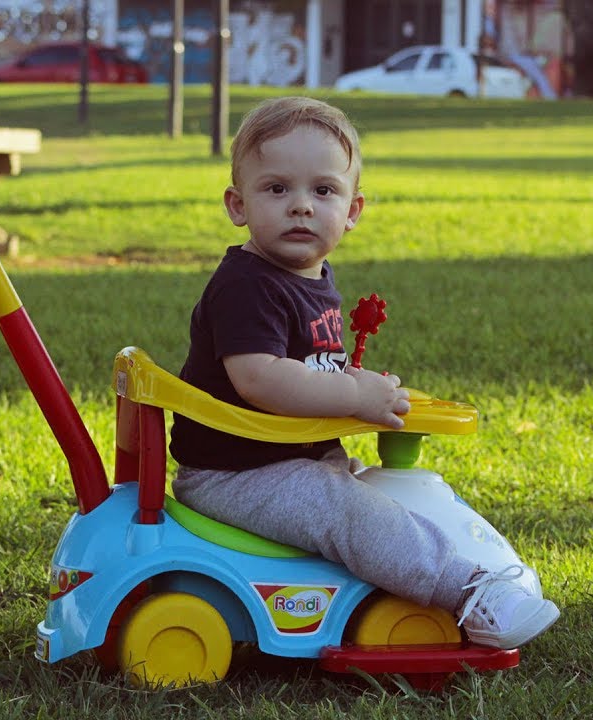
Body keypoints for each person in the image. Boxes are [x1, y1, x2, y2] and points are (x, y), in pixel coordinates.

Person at [169, 96, 558, 649]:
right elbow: (260, 378)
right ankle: (470, 593)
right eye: (276, 189)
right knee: (351, 514)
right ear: (238, 205)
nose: (301, 206)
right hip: (235, 474)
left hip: (292, 462)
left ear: (352, 210)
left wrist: (362, 388)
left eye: (323, 191)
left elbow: (310, 368)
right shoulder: (246, 286)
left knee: (384, 500)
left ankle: (454, 567)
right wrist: (353, 393)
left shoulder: (311, 276)